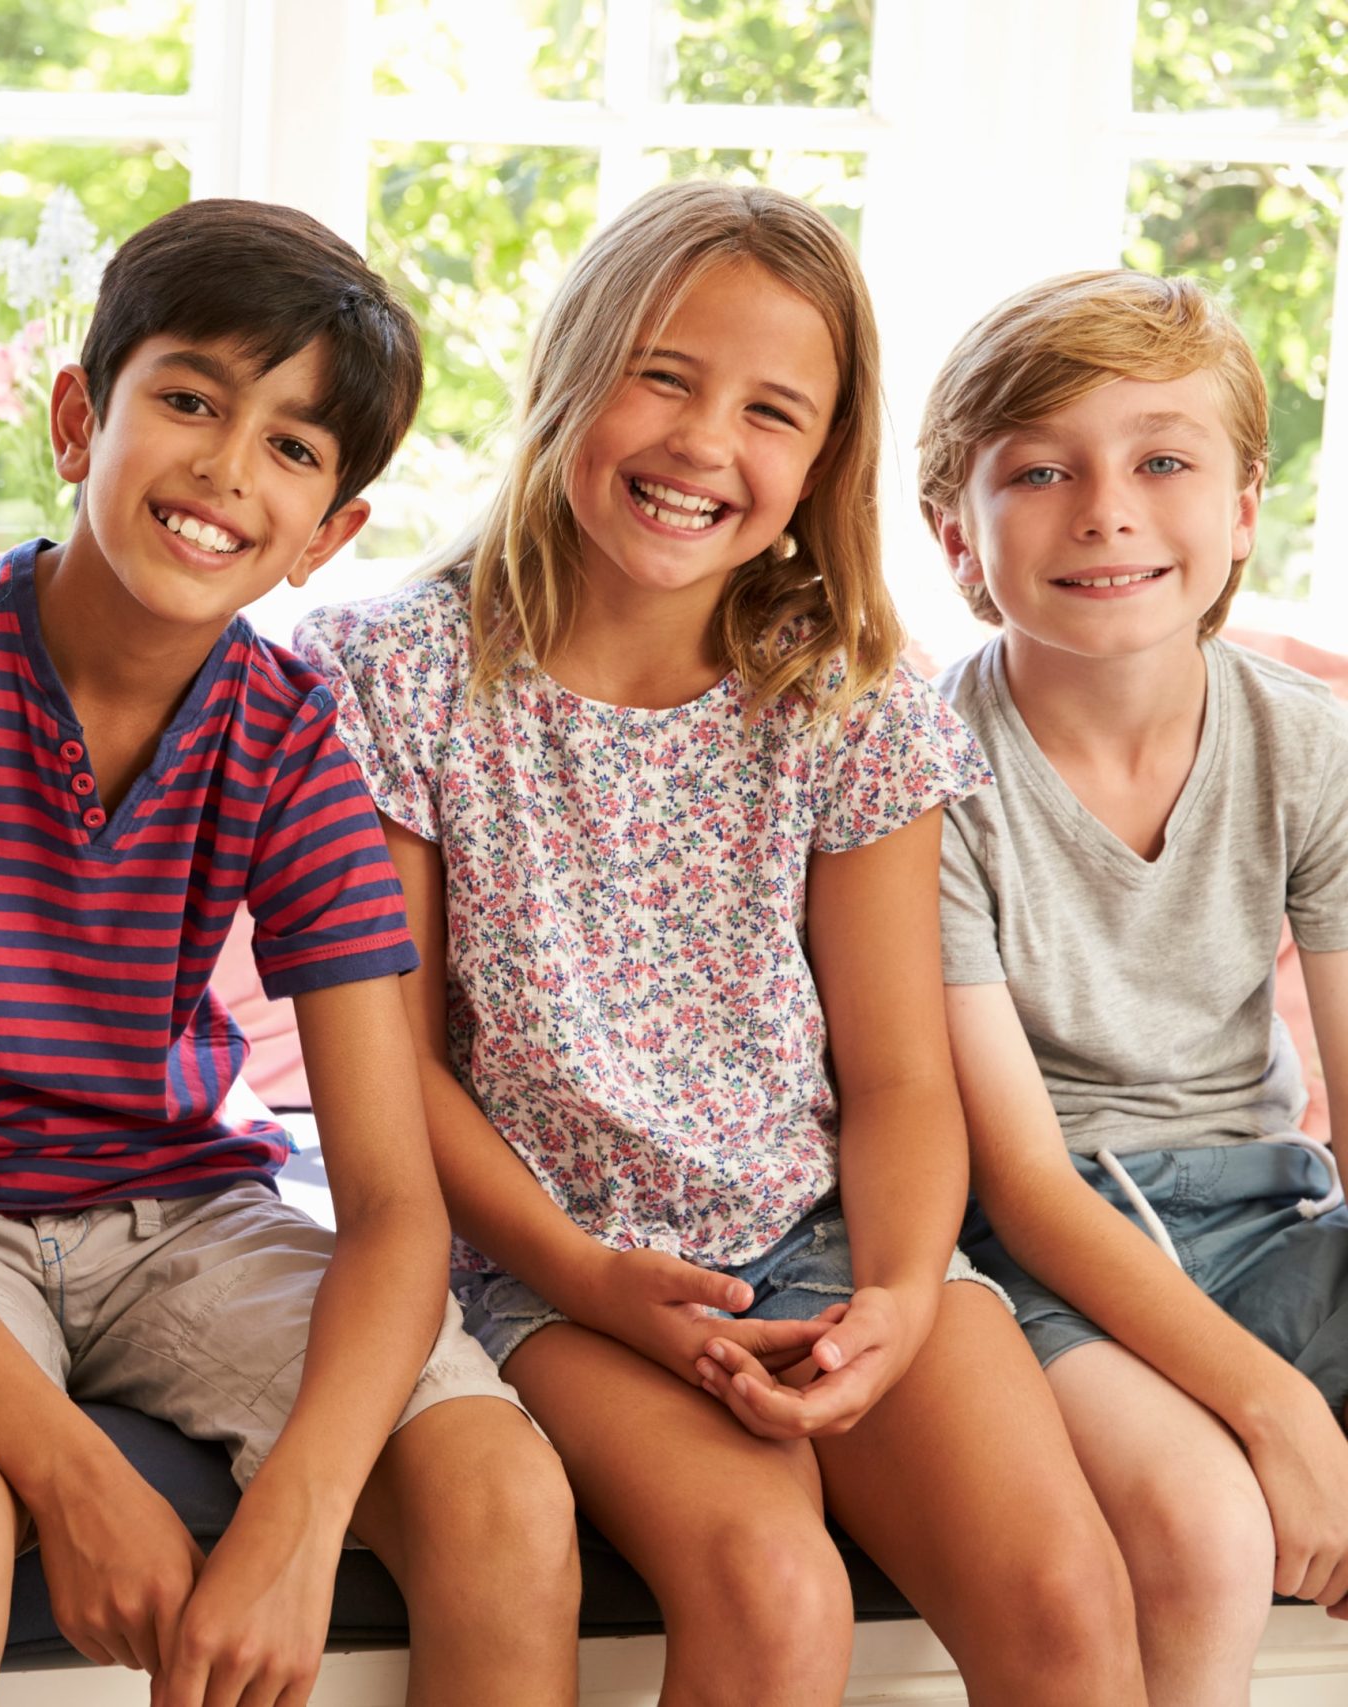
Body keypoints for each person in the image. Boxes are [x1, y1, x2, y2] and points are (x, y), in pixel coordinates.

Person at [297, 180, 1145, 1706]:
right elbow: (397, 1068)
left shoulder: (849, 698)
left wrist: (893, 1294)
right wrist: (585, 1270)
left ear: (825, 460)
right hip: (553, 1263)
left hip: (828, 1237)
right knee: (774, 1597)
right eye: (664, 375)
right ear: (569, 373)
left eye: (773, 411)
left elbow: (897, 1080)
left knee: (1072, 1607)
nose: (704, 445)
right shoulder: (394, 671)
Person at [0, 197, 580, 1707]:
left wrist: (302, 1522)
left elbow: (394, 1205)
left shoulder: (293, 731)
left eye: (292, 447)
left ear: (331, 532)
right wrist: (74, 1480)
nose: (222, 469)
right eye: (189, 400)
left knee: (504, 1501)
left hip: (189, 1214)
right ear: (80, 418)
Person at [922, 269, 1348, 1702]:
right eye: (1040, 472)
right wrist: (1277, 1408)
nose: (1106, 509)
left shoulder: (1311, 747)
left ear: (1239, 513)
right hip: (1042, 1245)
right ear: (957, 540)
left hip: (1272, 1210)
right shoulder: (921, 780)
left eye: (1163, 460)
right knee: (1209, 1529)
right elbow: (1025, 1183)